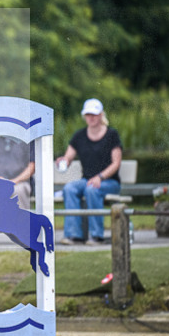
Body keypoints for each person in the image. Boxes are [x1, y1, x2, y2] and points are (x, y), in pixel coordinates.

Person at [57, 98, 123, 244]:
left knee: (92, 189)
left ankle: (96, 235)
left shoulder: (112, 135)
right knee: (70, 188)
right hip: (87, 180)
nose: (91, 117)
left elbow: (116, 163)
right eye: (88, 114)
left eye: (94, 114)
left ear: (101, 115)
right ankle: (74, 235)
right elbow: (68, 157)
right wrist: (63, 162)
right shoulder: (79, 136)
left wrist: (100, 177)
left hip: (109, 182)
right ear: (84, 116)